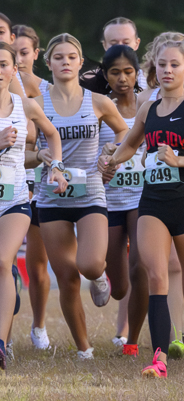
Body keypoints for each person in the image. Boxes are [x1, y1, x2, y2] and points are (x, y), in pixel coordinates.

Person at [100, 39, 184, 378]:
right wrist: (111, 161)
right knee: (155, 275)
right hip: (153, 203)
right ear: (154, 69)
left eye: (174, 65)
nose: (167, 70)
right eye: (162, 65)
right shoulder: (149, 108)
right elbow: (130, 143)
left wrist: (181, 159)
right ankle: (158, 359)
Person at [36, 34, 129, 359]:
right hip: (51, 197)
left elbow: (124, 132)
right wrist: (42, 156)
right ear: (48, 64)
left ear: (80, 63)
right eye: (58, 57)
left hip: (90, 192)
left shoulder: (98, 102)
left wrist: (112, 152)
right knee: (67, 278)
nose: (65, 62)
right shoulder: (37, 103)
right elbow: (26, 152)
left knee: (88, 265)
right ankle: (84, 349)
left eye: (71, 57)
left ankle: (99, 275)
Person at [0, 41, 67, 369]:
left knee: (2, 261)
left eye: (3, 65)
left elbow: (53, 135)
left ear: (15, 70)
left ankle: (0, 343)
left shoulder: (25, 106)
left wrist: (56, 166)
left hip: (13, 200)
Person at [95, 45, 144, 353]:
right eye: (115, 72)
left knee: (142, 268)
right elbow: (90, 157)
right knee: (120, 286)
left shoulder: (151, 105)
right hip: (110, 200)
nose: (123, 79)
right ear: (105, 75)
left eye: (128, 71)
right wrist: (101, 165)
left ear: (137, 73)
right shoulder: (100, 108)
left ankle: (133, 341)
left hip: (144, 198)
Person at [9, 24, 54, 349]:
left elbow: (47, 135)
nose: (21, 59)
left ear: (35, 54)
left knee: (37, 264)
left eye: (26, 53)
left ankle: (38, 327)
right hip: (12, 180)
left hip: (40, 183)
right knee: (5, 262)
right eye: (16, 53)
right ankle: (5, 334)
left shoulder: (48, 92)